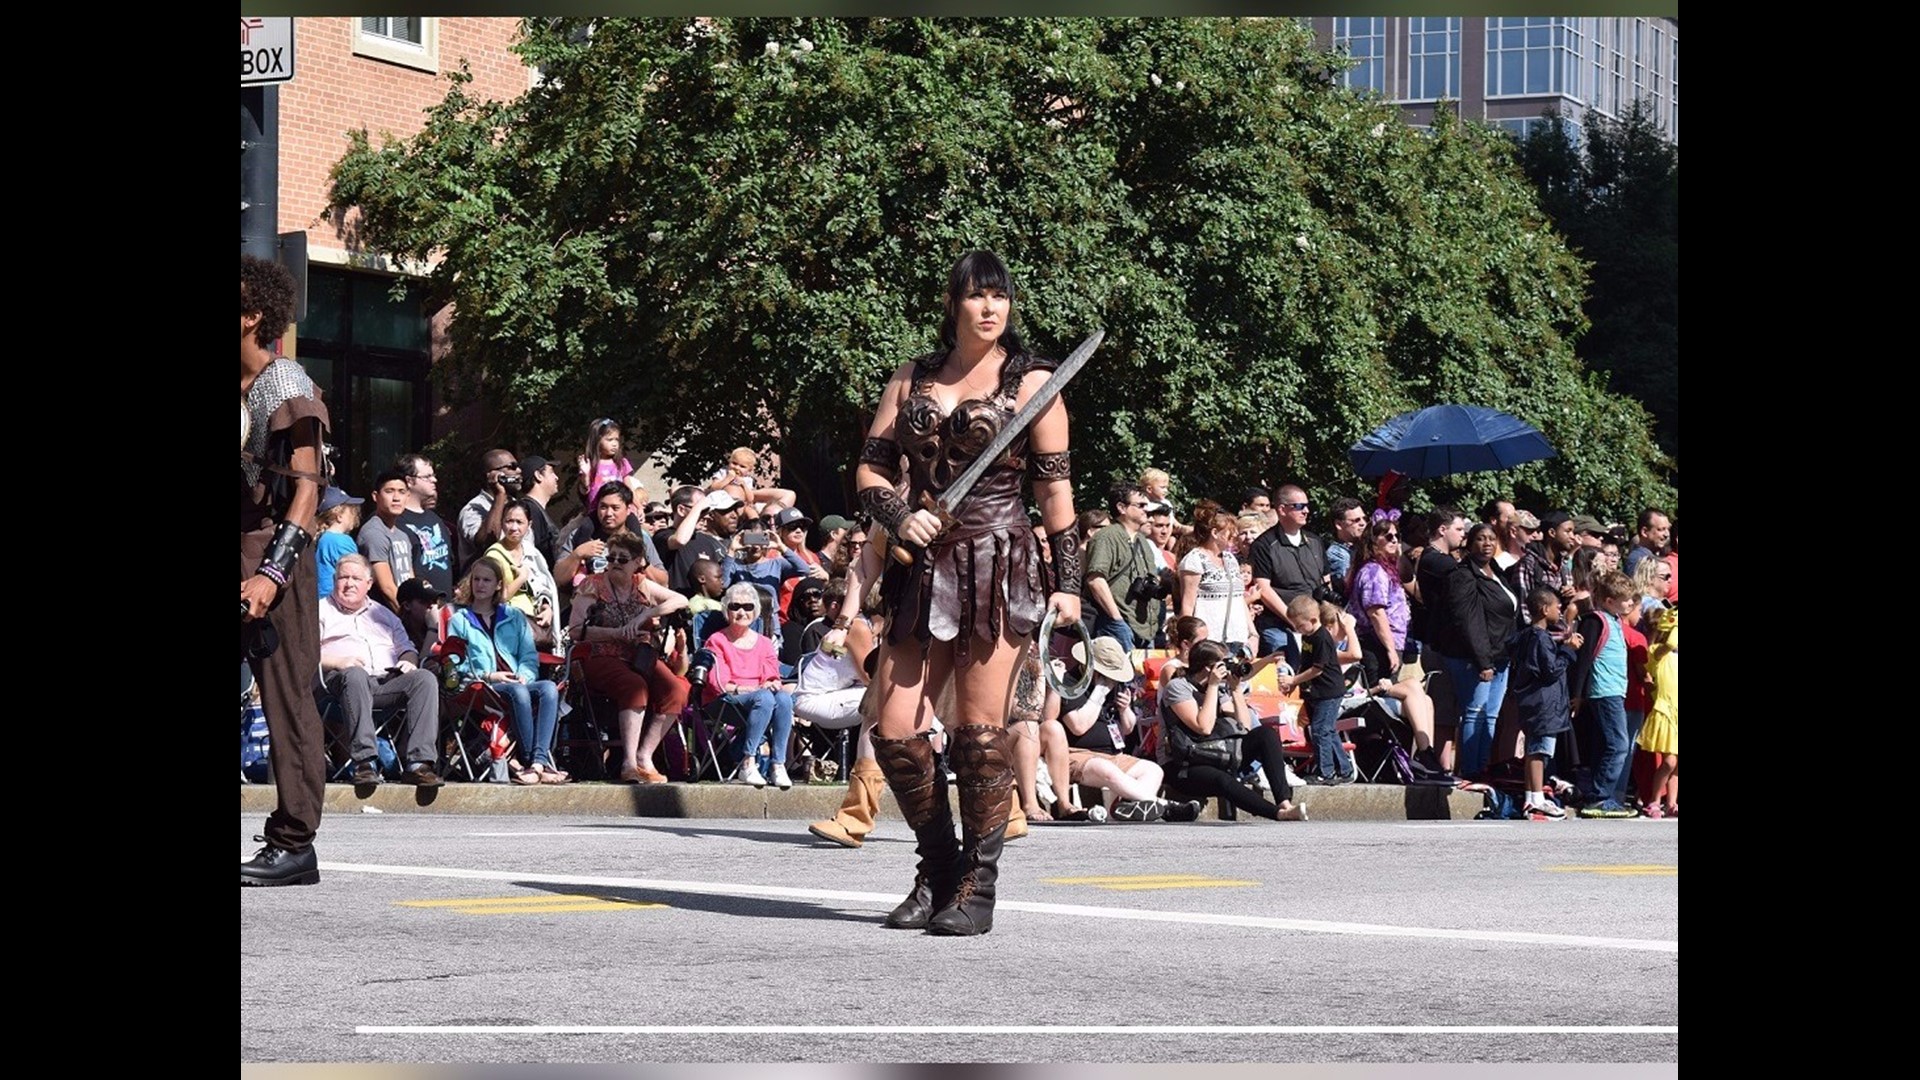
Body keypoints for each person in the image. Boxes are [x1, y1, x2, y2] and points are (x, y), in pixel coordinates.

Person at [852, 249, 1080, 936]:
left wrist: (1067, 585)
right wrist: (899, 514)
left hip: (998, 559)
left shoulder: (1034, 383)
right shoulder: (911, 375)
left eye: (1000, 297)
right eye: (977, 297)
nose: (991, 309)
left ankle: (977, 886)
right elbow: (869, 468)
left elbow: (1055, 490)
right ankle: (939, 868)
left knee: (979, 736)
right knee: (895, 733)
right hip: (921, 564)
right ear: (953, 303)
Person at [240, 253, 332, 887]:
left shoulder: (284, 382)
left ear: (250, 316)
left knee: (287, 696)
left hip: (279, 556)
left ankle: (295, 841)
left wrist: (272, 575)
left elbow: (307, 487)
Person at [566, 529, 690, 783]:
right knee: (634, 686)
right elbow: (576, 629)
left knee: (676, 691)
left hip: (638, 656)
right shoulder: (593, 584)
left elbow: (681, 600)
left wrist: (646, 614)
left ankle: (646, 756)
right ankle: (629, 763)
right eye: (611, 558)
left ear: (638, 563)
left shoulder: (641, 584)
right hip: (600, 654)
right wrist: (615, 634)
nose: (614, 564)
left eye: (622, 560)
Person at [317, 555, 444, 788]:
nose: (349, 583)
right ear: (334, 580)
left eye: (356, 578)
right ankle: (364, 763)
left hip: (385, 682)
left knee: (424, 678)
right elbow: (306, 654)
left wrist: (408, 662)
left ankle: (418, 764)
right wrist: (339, 661)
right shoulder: (321, 611)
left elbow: (408, 649)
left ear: (369, 584)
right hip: (338, 685)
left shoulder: (383, 614)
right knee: (355, 675)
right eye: (343, 577)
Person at [1044, 636, 1198, 823]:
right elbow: (1078, 726)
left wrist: (1125, 710)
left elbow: (1127, 729)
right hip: (1078, 754)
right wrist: (1098, 695)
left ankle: (1126, 806)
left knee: (1153, 770)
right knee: (1106, 769)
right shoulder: (1070, 683)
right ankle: (1165, 806)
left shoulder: (1114, 686)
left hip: (1113, 754)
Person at [446, 556, 566, 784]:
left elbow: (529, 657)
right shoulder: (460, 620)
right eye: (476, 580)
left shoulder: (514, 616)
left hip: (515, 681)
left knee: (549, 688)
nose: (480, 585)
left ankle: (538, 763)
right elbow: (454, 662)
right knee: (520, 693)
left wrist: (524, 676)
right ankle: (534, 762)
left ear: (499, 585)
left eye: (487, 580)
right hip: (482, 686)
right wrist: (489, 676)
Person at [1158, 640, 1308, 822]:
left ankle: (1284, 803)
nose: (1228, 668)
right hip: (1185, 764)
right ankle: (1278, 814)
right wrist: (1212, 687)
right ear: (1208, 668)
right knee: (1222, 779)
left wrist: (1236, 691)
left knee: (1266, 734)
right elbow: (1203, 727)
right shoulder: (1178, 687)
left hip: (1218, 753)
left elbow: (1244, 728)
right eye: (1224, 663)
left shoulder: (1218, 688)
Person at [1445, 523, 1520, 781]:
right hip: (1475, 658)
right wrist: (1483, 661)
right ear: (1469, 542)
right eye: (1480, 539)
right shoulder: (1463, 575)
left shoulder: (1497, 572)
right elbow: (1470, 621)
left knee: (1491, 715)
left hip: (1502, 656)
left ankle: (1483, 769)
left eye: (1491, 539)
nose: (1487, 543)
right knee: (1475, 712)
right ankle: (1470, 771)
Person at [704, 582, 796, 789]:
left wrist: (772, 682)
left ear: (756, 612)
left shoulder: (764, 642)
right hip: (726, 700)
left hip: (760, 698)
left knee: (782, 698)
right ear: (726, 609)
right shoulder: (716, 640)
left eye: (748, 607)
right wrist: (743, 689)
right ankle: (748, 762)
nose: (741, 611)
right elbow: (717, 683)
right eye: (735, 606)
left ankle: (778, 764)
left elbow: (772, 674)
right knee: (763, 697)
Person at [1506, 588, 1582, 819]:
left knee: (1534, 749)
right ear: (1543, 609)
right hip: (1543, 703)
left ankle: (1531, 796)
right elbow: (1549, 671)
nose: (1560, 610)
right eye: (1556, 606)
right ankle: (1537, 797)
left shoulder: (1529, 636)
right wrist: (1568, 651)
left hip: (1535, 702)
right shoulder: (1540, 638)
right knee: (1540, 750)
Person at [1568, 571, 1639, 817]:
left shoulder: (1617, 621)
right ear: (1609, 600)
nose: (1631, 603)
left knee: (1606, 744)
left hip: (1615, 691)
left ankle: (1599, 795)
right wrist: (1577, 694)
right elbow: (1584, 659)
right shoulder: (1596, 621)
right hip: (1603, 691)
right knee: (1619, 745)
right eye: (1626, 599)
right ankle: (1600, 797)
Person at [1278, 596, 1352, 784]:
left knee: (1320, 731)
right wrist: (1295, 683)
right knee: (1328, 730)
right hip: (1316, 692)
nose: (1297, 630)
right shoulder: (1307, 635)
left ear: (1313, 620)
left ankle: (1326, 772)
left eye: (1300, 626)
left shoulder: (1322, 638)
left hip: (1329, 691)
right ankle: (1345, 769)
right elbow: (1306, 663)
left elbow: (1317, 669)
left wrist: (1294, 679)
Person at [1177, 500, 1255, 656]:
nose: (1234, 535)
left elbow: (1238, 598)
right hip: (1209, 640)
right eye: (1229, 531)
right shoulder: (1194, 560)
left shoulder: (1230, 559)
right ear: (1214, 533)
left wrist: (1253, 633)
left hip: (1237, 638)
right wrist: (1189, 641)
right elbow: (1188, 604)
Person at [484, 501, 563, 651]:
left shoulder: (532, 553)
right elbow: (493, 597)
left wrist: (547, 607)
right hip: (506, 627)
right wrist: (521, 578)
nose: (514, 527)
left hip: (535, 627)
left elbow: (544, 587)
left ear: (529, 525)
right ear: (502, 523)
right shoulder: (494, 555)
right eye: (509, 521)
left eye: (519, 522)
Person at [1634, 607, 1678, 818]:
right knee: (1669, 761)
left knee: (1677, 764)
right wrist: (1675, 622)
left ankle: (1671, 804)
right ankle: (1654, 800)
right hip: (1665, 710)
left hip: (1677, 711)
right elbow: (1670, 644)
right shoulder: (1656, 652)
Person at [356, 468, 416, 613]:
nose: (396, 498)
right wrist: (409, 620)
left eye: (402, 492)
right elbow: (387, 588)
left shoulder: (402, 535)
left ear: (408, 496)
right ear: (376, 496)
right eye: (389, 491)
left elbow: (411, 579)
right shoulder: (373, 533)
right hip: (384, 618)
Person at [313, 487, 364, 602]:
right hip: (339, 599)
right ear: (339, 516)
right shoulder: (342, 541)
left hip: (321, 599)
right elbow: (355, 571)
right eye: (351, 510)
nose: (355, 515)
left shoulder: (322, 537)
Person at [576, 417, 644, 503]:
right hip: (597, 509)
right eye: (610, 440)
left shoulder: (621, 463)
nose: (615, 444)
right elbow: (585, 490)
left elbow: (629, 488)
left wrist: (638, 507)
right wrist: (585, 475)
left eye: (617, 439)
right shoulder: (590, 464)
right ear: (597, 441)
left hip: (619, 508)